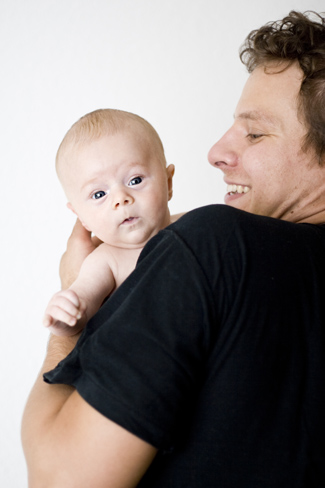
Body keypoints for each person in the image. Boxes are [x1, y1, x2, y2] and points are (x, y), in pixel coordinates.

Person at [21, 10, 325, 487]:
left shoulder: (208, 247)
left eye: (255, 131)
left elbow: (60, 480)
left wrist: (67, 329)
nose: (217, 152)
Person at [42, 108, 175, 336]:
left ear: (168, 182)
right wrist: (66, 315)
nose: (120, 199)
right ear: (81, 217)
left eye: (135, 180)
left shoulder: (194, 225)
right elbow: (83, 300)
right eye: (98, 194)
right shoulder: (106, 261)